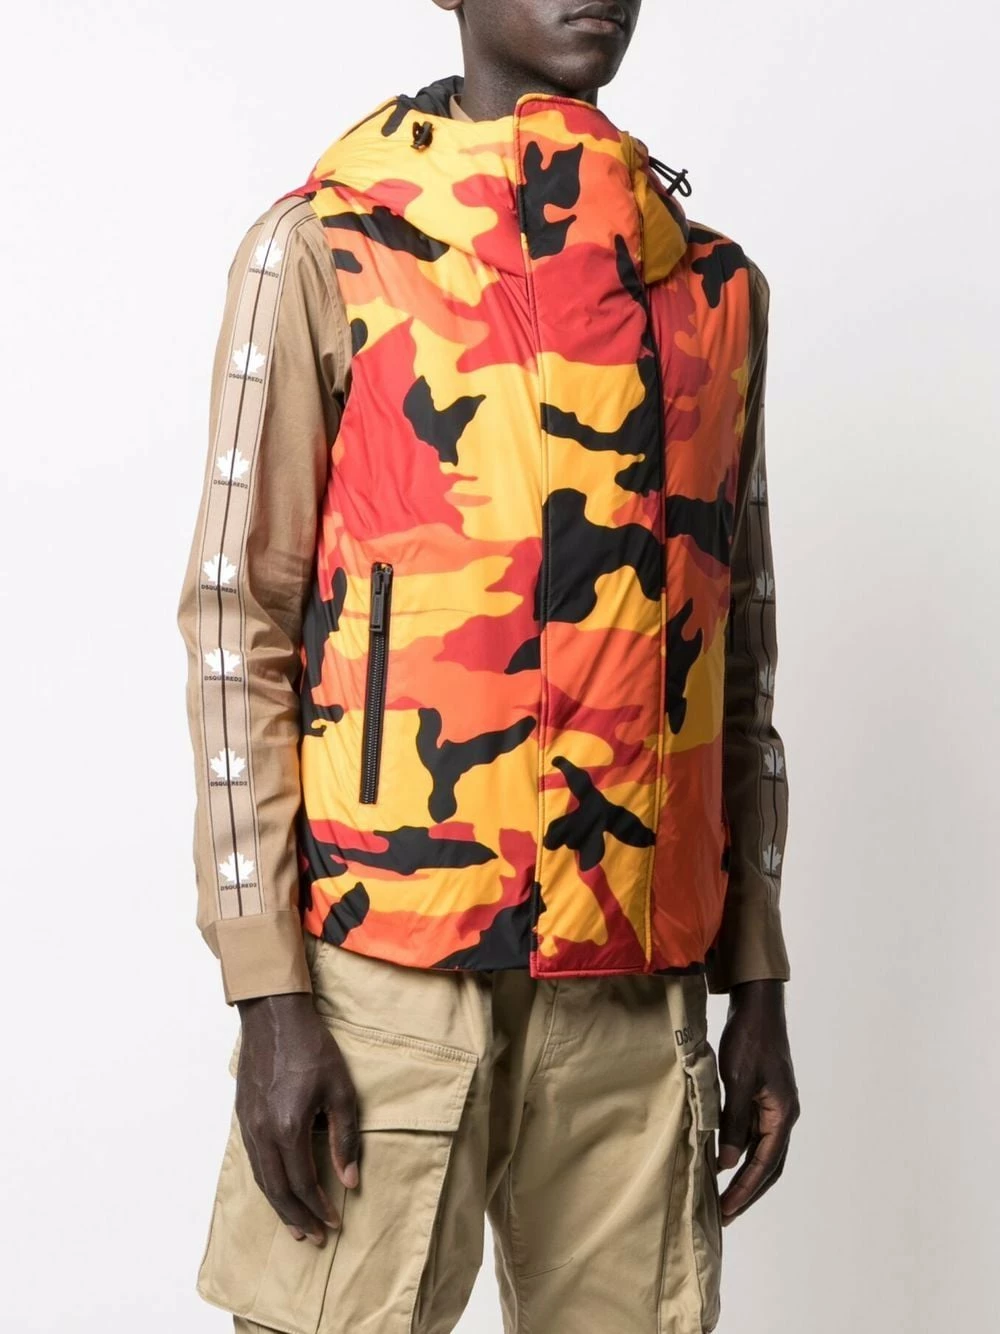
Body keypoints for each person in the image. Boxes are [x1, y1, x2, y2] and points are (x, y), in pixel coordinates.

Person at [175, 1, 800, 1329]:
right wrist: (267, 988)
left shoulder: (713, 292)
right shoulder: (328, 249)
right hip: (385, 985)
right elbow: (239, 626)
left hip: (636, 998)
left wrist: (757, 975)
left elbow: (735, 654)